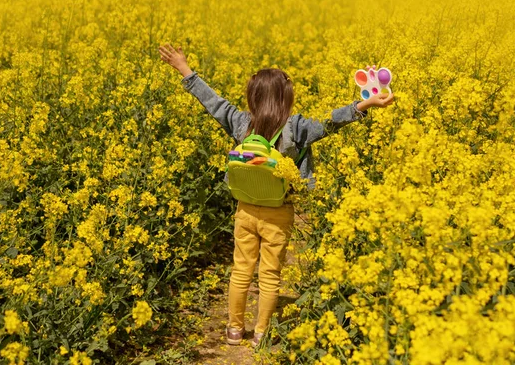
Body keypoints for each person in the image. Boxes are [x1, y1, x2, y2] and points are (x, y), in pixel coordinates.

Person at [158, 43, 394, 347]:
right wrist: (364, 105)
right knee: (269, 275)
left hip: (245, 209)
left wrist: (184, 68)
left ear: (252, 98)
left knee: (241, 270)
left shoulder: (242, 122)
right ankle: (261, 333)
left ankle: (233, 329)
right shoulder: (296, 128)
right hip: (278, 211)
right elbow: (330, 122)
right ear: (287, 99)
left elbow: (213, 102)